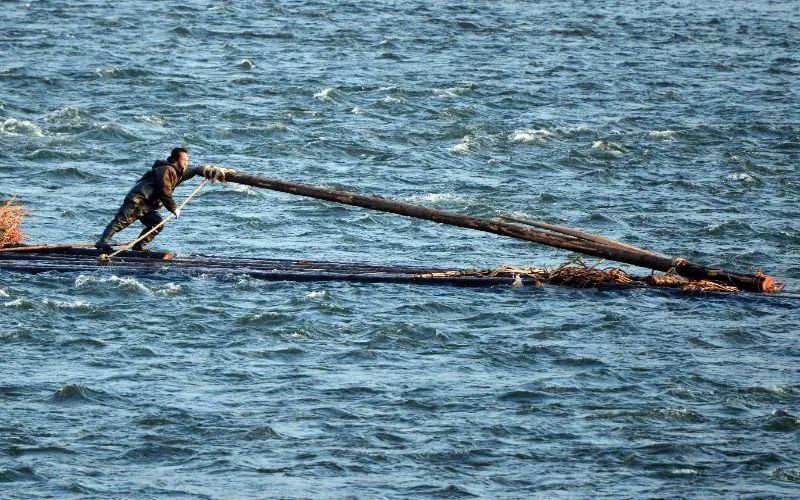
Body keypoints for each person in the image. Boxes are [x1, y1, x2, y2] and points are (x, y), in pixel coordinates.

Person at [95, 148, 224, 252]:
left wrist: (204, 171)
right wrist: (174, 208)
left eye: (187, 161)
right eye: (184, 160)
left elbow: (192, 171)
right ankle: (102, 242)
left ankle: (139, 245)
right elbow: (165, 192)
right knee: (121, 221)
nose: (186, 163)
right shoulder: (166, 170)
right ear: (175, 160)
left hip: (148, 205)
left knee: (157, 224)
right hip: (138, 199)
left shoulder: (177, 172)